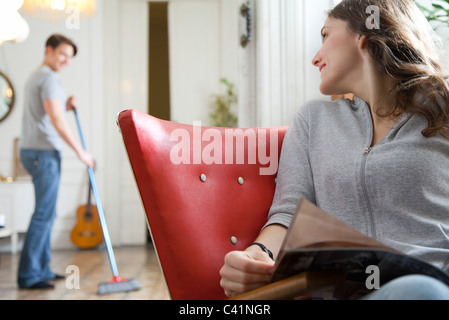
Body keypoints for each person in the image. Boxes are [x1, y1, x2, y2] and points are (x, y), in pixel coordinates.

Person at [219, 0, 449, 300]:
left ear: (363, 35)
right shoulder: (313, 121)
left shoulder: (443, 112)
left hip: (431, 286)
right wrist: (257, 254)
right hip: (341, 292)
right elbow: (289, 213)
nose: (316, 57)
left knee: (420, 291)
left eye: (325, 36)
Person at [18, 34, 95, 289]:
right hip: (43, 153)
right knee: (43, 214)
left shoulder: (37, 75)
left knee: (47, 213)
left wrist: (66, 105)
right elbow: (56, 120)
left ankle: (41, 269)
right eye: (62, 54)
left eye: (70, 57)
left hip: (35, 151)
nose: (66, 61)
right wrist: (80, 152)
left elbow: (50, 109)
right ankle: (29, 275)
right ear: (48, 49)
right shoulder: (49, 78)